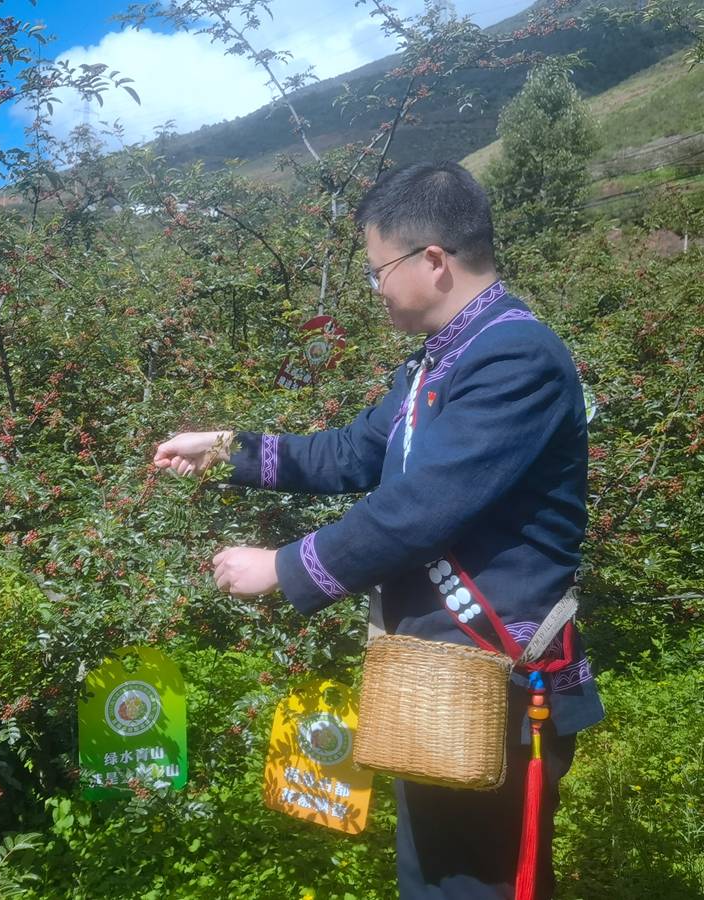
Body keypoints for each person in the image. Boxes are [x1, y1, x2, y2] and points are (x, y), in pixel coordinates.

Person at [154, 162, 603, 899]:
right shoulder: (437, 362)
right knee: (430, 877)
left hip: (499, 685)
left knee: (477, 883)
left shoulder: (515, 356)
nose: (376, 291)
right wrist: (225, 448)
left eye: (377, 271)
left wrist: (286, 567)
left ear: (432, 261)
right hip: (439, 679)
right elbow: (351, 452)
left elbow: (424, 505)